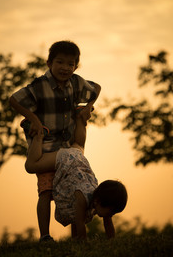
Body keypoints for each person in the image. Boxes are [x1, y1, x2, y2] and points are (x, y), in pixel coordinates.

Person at [9, 40, 101, 241]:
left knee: (72, 190)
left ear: (76, 66)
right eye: (60, 62)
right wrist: (32, 118)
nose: (65, 68)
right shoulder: (40, 86)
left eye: (71, 64)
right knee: (46, 192)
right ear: (49, 63)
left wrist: (87, 107)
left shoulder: (75, 82)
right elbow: (14, 99)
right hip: (44, 149)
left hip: (67, 147)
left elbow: (96, 89)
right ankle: (45, 235)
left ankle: (76, 235)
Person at [25, 109, 128, 240]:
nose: (110, 215)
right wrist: (82, 241)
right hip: (66, 159)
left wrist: (112, 241)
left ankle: (80, 120)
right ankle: (39, 135)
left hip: (78, 158)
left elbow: (109, 229)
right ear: (97, 201)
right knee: (31, 166)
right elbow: (79, 224)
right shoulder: (82, 198)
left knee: (79, 145)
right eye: (111, 212)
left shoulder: (102, 201)